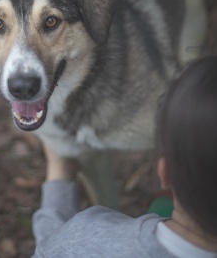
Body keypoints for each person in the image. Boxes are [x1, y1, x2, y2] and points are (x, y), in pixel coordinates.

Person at [32, 56, 217, 257]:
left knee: (161, 204)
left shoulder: (90, 237)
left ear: (165, 174)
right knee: (161, 205)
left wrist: (58, 176)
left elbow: (49, 249)